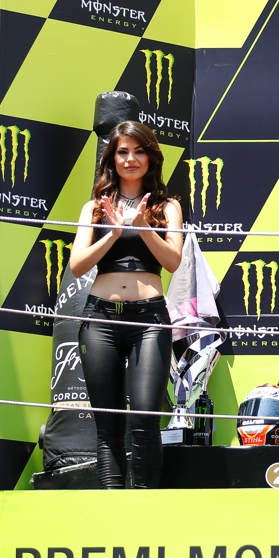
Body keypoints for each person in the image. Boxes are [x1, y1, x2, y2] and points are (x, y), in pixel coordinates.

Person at [69, 121, 183, 488]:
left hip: (149, 320)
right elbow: (77, 265)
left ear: (151, 158)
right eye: (122, 152)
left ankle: (144, 507)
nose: (130, 159)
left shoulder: (168, 207)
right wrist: (114, 234)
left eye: (138, 151)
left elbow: (173, 262)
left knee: (146, 419)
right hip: (100, 319)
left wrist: (143, 227)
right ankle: (113, 508)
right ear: (112, 159)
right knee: (108, 426)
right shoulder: (94, 208)